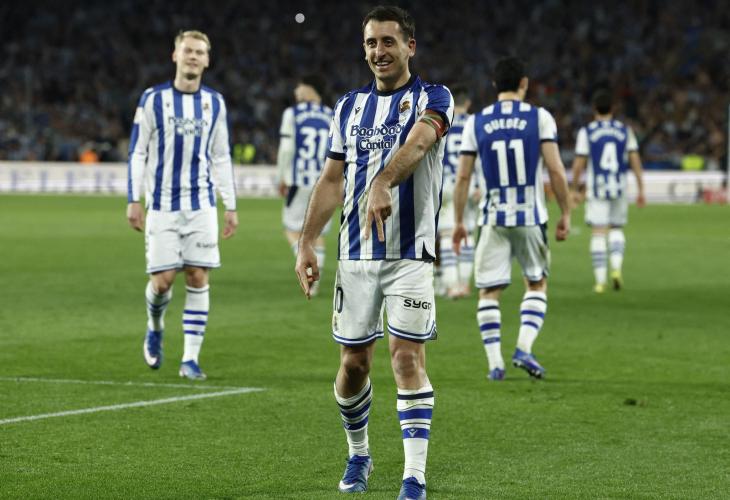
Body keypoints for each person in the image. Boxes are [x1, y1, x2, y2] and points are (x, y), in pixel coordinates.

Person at [294, 6, 453, 499]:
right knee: (354, 366)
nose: (378, 51)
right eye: (370, 43)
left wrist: (383, 181)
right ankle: (359, 452)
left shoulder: (434, 97)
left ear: (409, 46)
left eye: (388, 41)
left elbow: (420, 143)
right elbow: (332, 179)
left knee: (406, 358)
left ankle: (414, 476)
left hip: (410, 254)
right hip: (356, 256)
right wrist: (306, 240)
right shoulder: (348, 107)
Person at [126, 30, 238, 381]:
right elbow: (137, 151)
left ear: (207, 60)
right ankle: (155, 326)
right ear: (175, 55)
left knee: (197, 275)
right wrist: (133, 199)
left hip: (201, 204)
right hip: (161, 205)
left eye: (199, 52)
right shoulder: (153, 99)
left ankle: (190, 359)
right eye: (187, 50)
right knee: (162, 282)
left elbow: (221, 156)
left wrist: (230, 204)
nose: (193, 56)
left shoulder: (215, 103)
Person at [452, 56, 571, 381]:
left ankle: (495, 365)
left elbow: (463, 177)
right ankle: (523, 348)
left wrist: (460, 220)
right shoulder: (540, 118)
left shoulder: (476, 122)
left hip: (492, 218)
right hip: (530, 216)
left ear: (494, 84)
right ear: (524, 83)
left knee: (489, 290)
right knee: (536, 283)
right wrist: (566, 212)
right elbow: (556, 169)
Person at [570, 89, 645, 293]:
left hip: (598, 189)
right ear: (613, 108)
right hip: (618, 186)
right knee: (616, 228)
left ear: (594, 108)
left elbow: (579, 163)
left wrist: (574, 189)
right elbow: (635, 160)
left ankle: (601, 281)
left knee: (598, 232)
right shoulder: (625, 130)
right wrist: (641, 188)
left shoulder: (587, 132)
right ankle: (616, 269)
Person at [276, 75, 334, 296]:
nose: (296, 93)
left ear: (310, 89)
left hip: (298, 181)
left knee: (292, 229)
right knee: (317, 232)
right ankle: (314, 278)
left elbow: (286, 149)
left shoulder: (292, 114)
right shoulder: (331, 114)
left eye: (299, 88)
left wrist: (282, 177)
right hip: (323, 183)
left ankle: (306, 271)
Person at [436, 84, 481, 299]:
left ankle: (451, 285)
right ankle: (464, 284)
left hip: (446, 184)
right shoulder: (477, 123)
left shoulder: (442, 121)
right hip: (470, 184)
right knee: (467, 233)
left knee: (447, 235)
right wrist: (480, 185)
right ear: (468, 103)